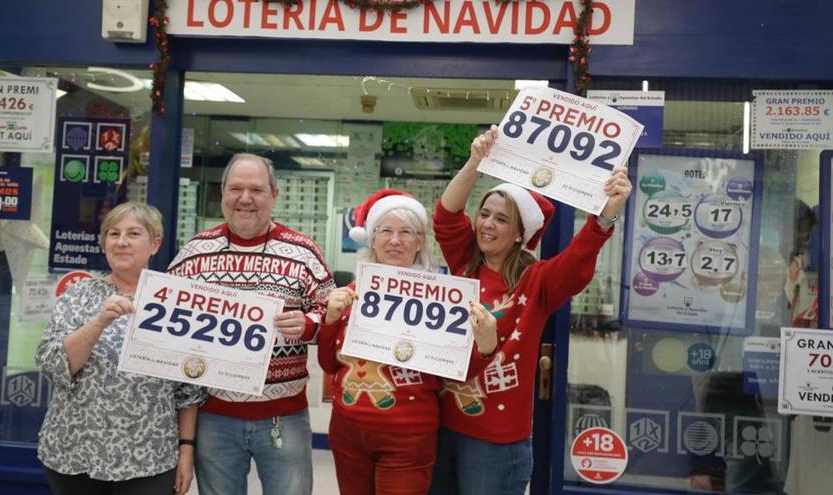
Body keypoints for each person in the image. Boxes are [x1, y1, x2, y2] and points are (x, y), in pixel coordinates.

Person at [428, 127, 632, 495]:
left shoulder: (537, 281)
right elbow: (446, 214)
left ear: (521, 233)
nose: (487, 224)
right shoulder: (463, 262)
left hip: (495, 443)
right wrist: (476, 161)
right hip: (441, 424)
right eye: (484, 214)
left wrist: (604, 217)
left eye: (502, 219)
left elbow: (576, 263)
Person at [167, 153, 335, 495]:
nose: (245, 199)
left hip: (283, 416)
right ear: (223, 193)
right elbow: (165, 318)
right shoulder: (195, 252)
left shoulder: (303, 252)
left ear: (274, 195)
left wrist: (307, 324)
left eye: (256, 190)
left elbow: (330, 311)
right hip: (213, 415)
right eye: (236, 189)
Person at [317, 190, 498, 495]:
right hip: (348, 432)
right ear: (372, 239)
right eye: (385, 231)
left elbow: (459, 371)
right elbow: (329, 363)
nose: (395, 240)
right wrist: (330, 321)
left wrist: (485, 346)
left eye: (406, 232)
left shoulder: (440, 297)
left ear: (420, 241)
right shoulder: (350, 292)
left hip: (409, 436)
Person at [36, 202, 204, 495]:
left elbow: (189, 388)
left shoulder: (178, 302)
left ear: (155, 244)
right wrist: (98, 322)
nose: (122, 241)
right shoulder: (78, 295)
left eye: (133, 233)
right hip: (75, 454)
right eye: (113, 234)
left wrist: (186, 452)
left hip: (149, 457)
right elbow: (54, 366)